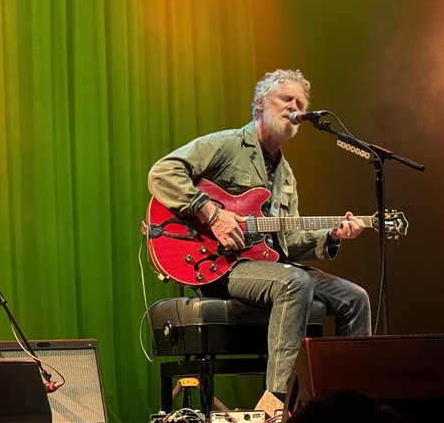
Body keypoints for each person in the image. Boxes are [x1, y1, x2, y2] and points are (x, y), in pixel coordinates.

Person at [148, 69, 372, 409]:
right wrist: (212, 213)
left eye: (300, 102)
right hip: (217, 265)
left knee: (356, 298)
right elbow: (162, 173)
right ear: (259, 104)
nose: (295, 107)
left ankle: (348, 405)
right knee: (295, 282)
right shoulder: (225, 145)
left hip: (267, 266)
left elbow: (287, 240)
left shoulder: (285, 175)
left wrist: (331, 234)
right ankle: (275, 403)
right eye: (287, 99)